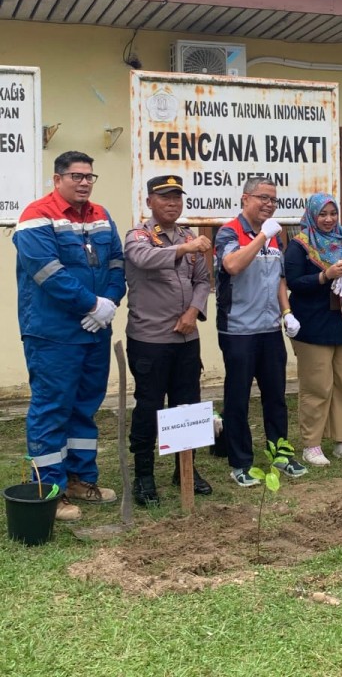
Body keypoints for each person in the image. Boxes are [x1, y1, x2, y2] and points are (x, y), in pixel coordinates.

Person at [13, 150, 125, 522]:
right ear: (57, 178)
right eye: (76, 176)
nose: (84, 182)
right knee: (52, 409)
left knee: (85, 407)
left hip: (94, 330)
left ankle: (79, 479)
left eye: (89, 176)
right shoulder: (36, 216)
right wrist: (91, 305)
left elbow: (116, 263)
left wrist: (109, 301)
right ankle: (49, 490)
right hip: (53, 333)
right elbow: (46, 271)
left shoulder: (102, 216)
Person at [124, 175, 213, 506]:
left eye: (177, 197)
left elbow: (202, 280)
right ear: (149, 202)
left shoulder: (189, 236)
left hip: (187, 339)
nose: (173, 203)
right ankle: (144, 476)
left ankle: (185, 469)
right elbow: (145, 259)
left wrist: (193, 312)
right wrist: (185, 248)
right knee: (149, 406)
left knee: (186, 405)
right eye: (164, 197)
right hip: (150, 340)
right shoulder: (138, 236)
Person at [215, 177, 307, 487]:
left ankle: (280, 453)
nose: (268, 204)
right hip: (238, 329)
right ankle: (240, 462)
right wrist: (260, 238)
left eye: (273, 199)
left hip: (270, 328)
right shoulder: (230, 231)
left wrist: (287, 312)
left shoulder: (273, 236)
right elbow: (232, 265)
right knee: (238, 398)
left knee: (275, 396)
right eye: (262, 198)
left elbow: (279, 278)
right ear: (245, 199)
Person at [285, 193, 342, 467]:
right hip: (313, 324)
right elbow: (294, 282)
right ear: (313, 215)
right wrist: (326, 275)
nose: (328, 219)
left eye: (333, 213)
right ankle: (312, 444)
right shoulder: (300, 245)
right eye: (323, 214)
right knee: (317, 386)